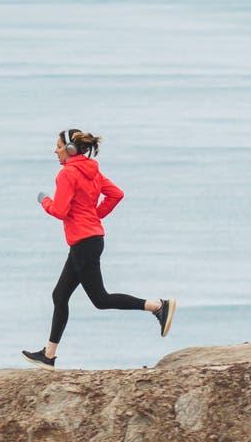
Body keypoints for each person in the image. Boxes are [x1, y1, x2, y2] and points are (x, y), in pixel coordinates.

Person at [22, 128, 174, 368]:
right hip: (87, 241)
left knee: (101, 299)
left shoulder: (67, 174)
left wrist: (44, 201)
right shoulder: (92, 171)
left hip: (84, 243)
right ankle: (48, 355)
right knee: (59, 295)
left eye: (59, 146)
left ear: (71, 150)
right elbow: (116, 194)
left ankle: (157, 306)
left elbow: (60, 211)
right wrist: (94, 216)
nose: (55, 150)